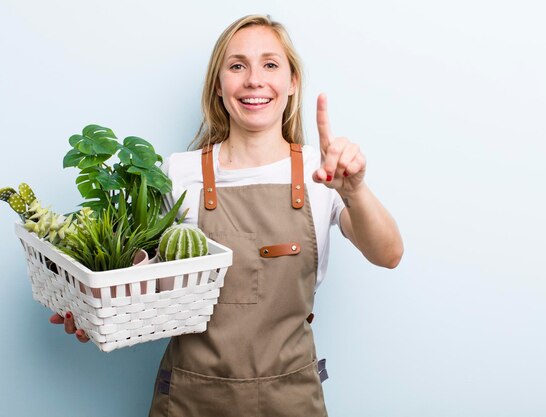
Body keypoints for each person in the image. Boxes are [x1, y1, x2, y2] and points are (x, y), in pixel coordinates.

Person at [52, 14, 403, 416]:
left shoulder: (321, 171)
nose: (254, 80)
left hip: (290, 399)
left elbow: (388, 254)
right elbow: (138, 279)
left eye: (270, 64)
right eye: (238, 66)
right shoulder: (178, 173)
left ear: (292, 83)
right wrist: (93, 312)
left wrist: (354, 190)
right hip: (190, 398)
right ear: (219, 86)